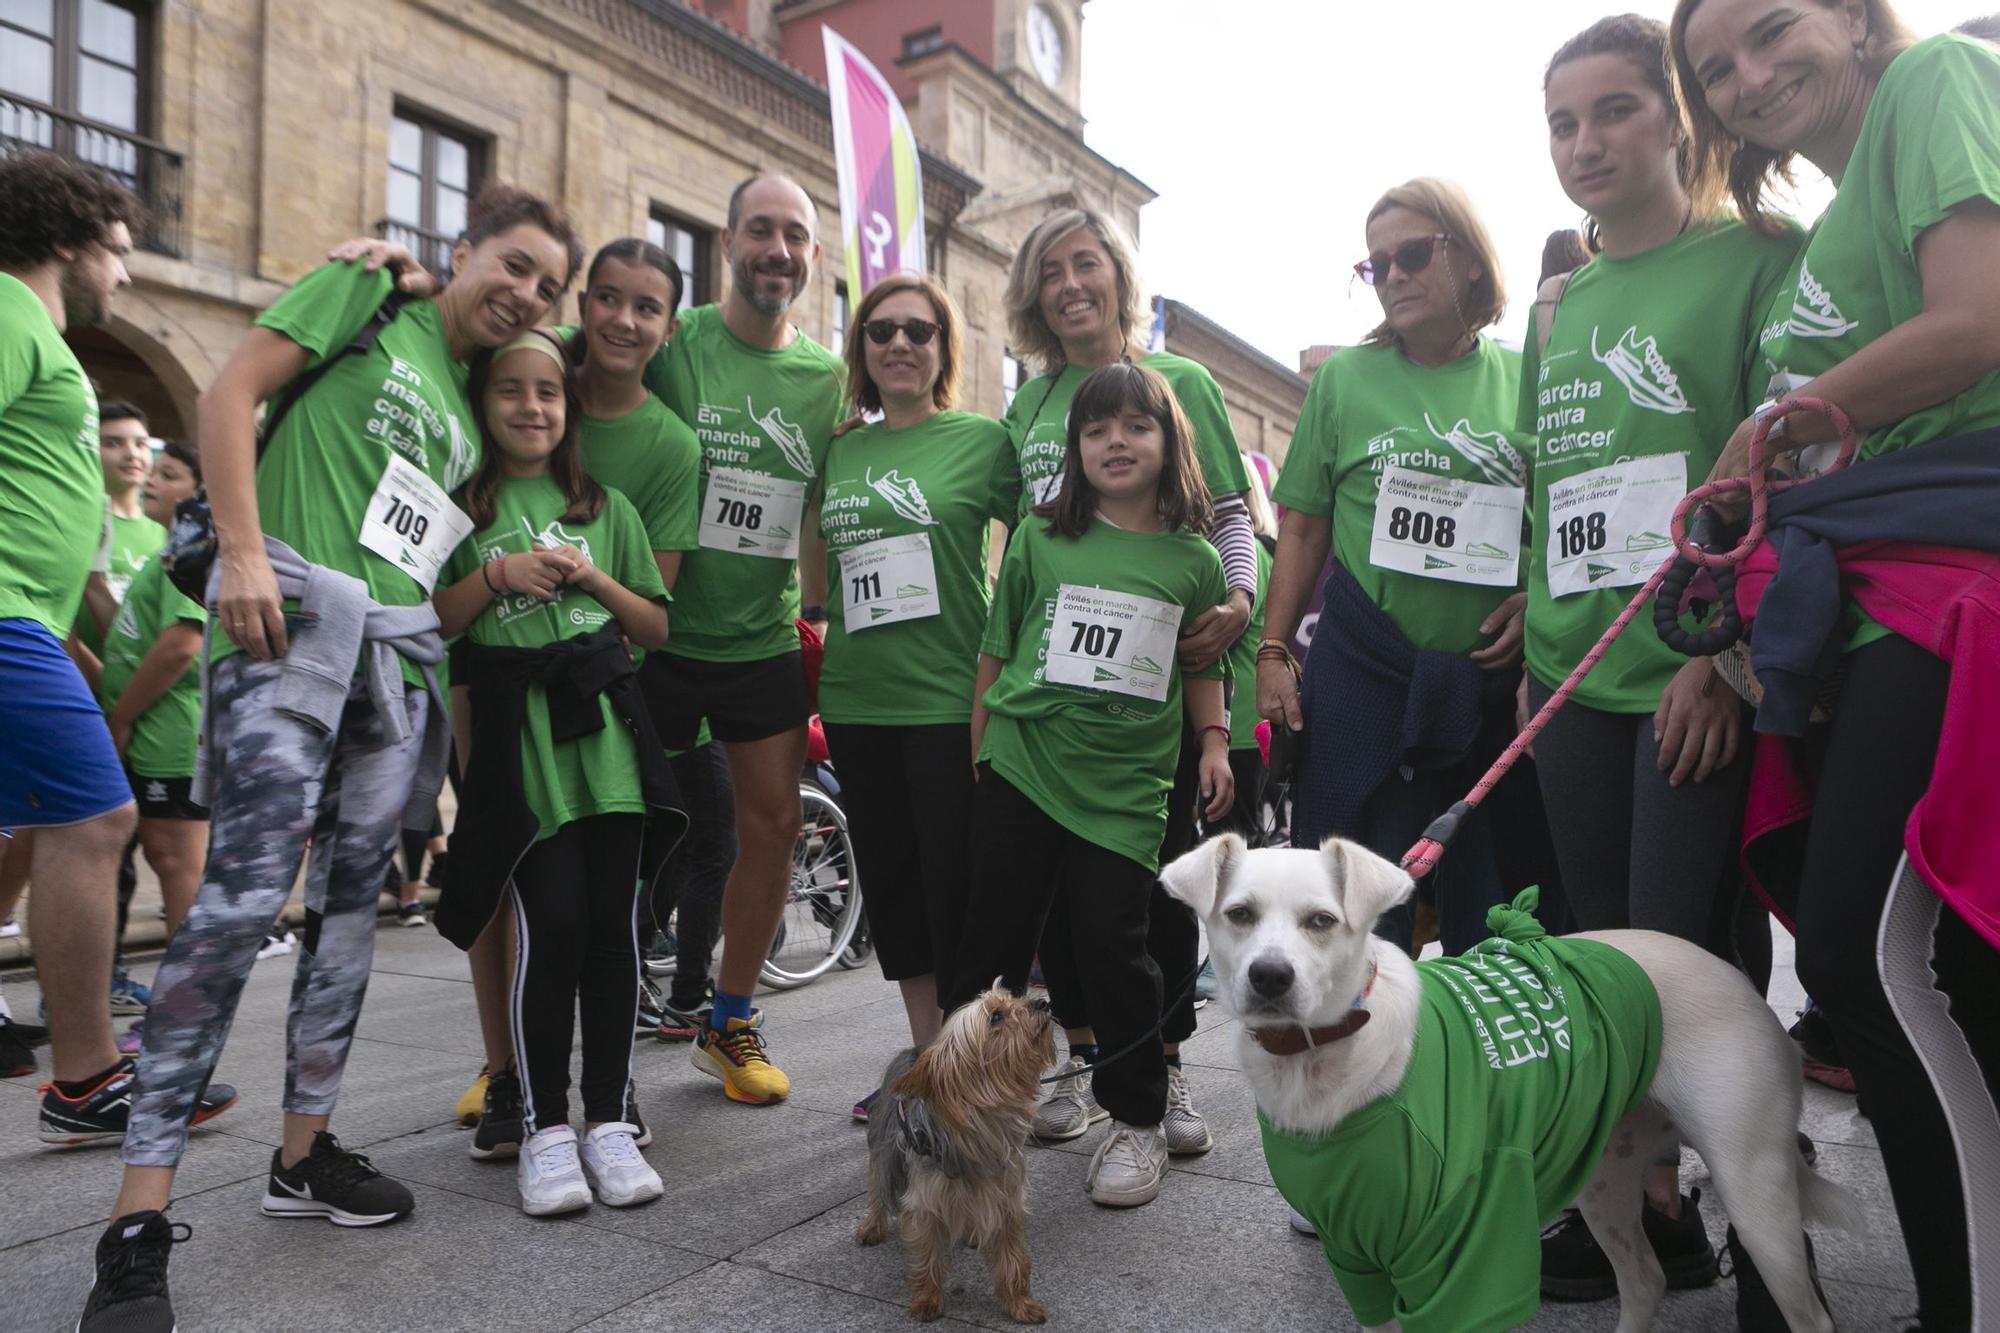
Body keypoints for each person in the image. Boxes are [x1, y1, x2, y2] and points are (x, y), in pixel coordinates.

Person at [79, 182, 582, 1333]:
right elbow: (226, 389)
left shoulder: (470, 396)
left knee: (348, 918)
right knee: (236, 901)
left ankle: (303, 1154)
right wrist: (244, 554)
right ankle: (136, 1215)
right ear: (459, 252)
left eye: (545, 286)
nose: (524, 294)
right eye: (510, 265)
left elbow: (420, 547)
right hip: (280, 629)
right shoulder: (367, 293)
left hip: (389, 672)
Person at [1674, 3, 2000, 1328]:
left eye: (1771, 29)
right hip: (1851, 612)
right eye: (1718, 71)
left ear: (1859, 24)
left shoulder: (1938, 76)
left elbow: (1977, 320)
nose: (1750, 75)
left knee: (1869, 970)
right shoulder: (1829, 222)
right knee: (1934, 972)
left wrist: (1760, 441)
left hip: (1947, 583)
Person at [1522, 14, 1807, 1306]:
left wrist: (1727, 656)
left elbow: (1784, 479)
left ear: (1680, 113)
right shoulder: (1563, 299)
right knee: (1605, 958)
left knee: (1697, 961)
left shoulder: (1759, 259)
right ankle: (1651, 1211)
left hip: (1687, 673)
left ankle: (1765, 1218)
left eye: (1617, 111)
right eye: (1565, 122)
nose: (1588, 143)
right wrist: (1529, 643)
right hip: (1570, 685)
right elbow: (1558, 488)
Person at [1000, 208, 1252, 1155]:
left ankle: (1161, 1060)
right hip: (1053, 697)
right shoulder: (1024, 406)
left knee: (1148, 891)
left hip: (1156, 682)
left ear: (1117, 276)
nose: (1069, 284)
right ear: (1032, 296)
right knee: (1063, 898)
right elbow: (1007, 531)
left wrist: (1236, 598)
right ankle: (1084, 1054)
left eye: (1086, 264)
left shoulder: (1178, 379)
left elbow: (1226, 511)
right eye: (1050, 272)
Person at [952, 362, 1233, 1210]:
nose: (1117, 441)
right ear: (1074, 449)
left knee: (1118, 950)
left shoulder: (1192, 559)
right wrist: (983, 756)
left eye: (1136, 426)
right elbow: (996, 654)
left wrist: (1214, 744)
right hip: (1024, 765)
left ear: (1169, 441)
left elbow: (1202, 667)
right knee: (990, 949)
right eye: (1097, 429)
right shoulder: (1040, 537)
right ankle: (965, 1113)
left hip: (1125, 790)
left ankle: (1137, 1117)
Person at [1, 152, 218, 1163]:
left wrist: (78, 640)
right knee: (97, 816)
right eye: (119, 252)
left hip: (35, 630)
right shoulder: (8, 308)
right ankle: (87, 1077)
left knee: (53, 826)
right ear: (66, 240)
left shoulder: (40, 333)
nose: (125, 275)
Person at [1258, 178, 1529, 956]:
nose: (1395, 275)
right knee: (1350, 911)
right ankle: (1344, 1070)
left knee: (1490, 910)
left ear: (1470, 261)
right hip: (1363, 677)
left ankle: (1480, 1069)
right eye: (1376, 265)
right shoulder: (1345, 379)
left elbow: (1553, 514)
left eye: (1414, 253)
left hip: (1485, 683)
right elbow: (1302, 526)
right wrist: (1273, 653)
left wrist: (1535, 600)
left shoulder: (1525, 375)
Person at [434, 328, 671, 1216]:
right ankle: (543, 1126)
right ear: (483, 405)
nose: (531, 407)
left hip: (607, 743)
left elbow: (654, 627)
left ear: (569, 410)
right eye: (511, 392)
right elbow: (436, 617)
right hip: (522, 750)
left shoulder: (603, 504)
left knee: (615, 929)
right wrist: (497, 573)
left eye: (548, 393)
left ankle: (609, 1118)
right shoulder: (462, 506)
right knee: (554, 924)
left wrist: (591, 577)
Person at [639, 175, 845, 1105]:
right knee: (620, 833)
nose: (778, 249)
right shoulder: (675, 346)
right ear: (726, 243)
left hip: (762, 635)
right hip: (659, 631)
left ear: (811, 256)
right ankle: (540, 1043)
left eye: (795, 235)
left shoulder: (829, 379)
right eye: (761, 230)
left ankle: (728, 1019)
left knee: (773, 825)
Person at [815, 271, 1015, 1110]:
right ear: (861, 349)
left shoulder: (982, 441)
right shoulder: (841, 449)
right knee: (895, 894)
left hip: (949, 704)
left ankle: (975, 1069)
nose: (899, 343)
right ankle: (931, 1064)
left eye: (919, 331)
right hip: (858, 702)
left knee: (957, 894)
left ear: (943, 349)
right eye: (882, 330)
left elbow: (1049, 540)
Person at [97, 440, 211, 1055]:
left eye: (170, 474)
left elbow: (179, 647)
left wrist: (119, 717)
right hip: (156, 737)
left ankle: (184, 1019)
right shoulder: (165, 551)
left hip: (169, 738)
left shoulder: (186, 552)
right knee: (173, 868)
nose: (153, 480)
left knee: (178, 869)